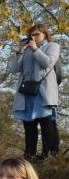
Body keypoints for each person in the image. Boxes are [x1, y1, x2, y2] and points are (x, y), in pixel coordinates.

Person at [12, 23, 61, 162]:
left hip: (43, 91)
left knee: (46, 122)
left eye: (36, 34)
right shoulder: (26, 49)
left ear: (44, 34)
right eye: (31, 35)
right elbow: (15, 69)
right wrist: (20, 51)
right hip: (27, 91)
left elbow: (48, 62)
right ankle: (29, 155)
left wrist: (35, 49)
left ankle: (47, 154)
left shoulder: (53, 46)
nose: (33, 37)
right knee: (28, 124)